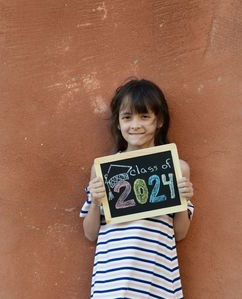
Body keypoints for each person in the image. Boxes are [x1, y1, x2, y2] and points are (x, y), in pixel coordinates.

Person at [80, 79, 195, 299]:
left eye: (145, 116)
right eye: (127, 117)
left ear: (159, 120)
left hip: (156, 281)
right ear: (118, 123)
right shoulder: (103, 169)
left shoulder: (176, 167)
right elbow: (90, 233)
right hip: (110, 283)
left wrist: (182, 199)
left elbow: (180, 233)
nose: (135, 125)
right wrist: (95, 202)